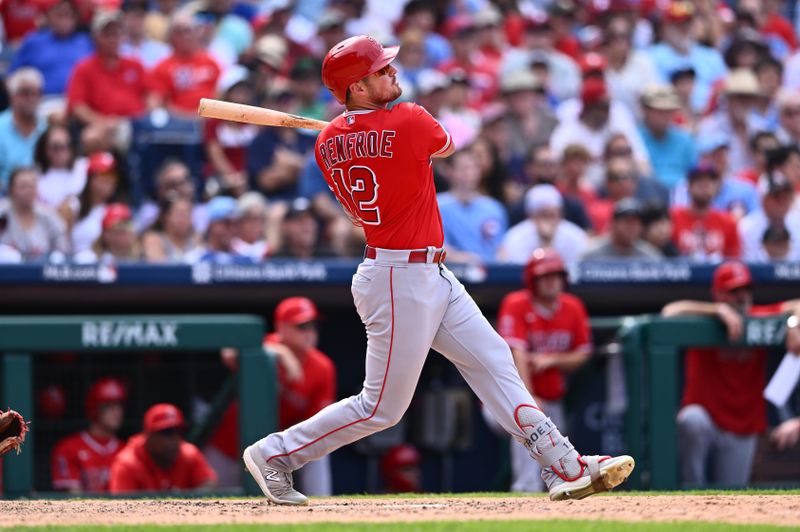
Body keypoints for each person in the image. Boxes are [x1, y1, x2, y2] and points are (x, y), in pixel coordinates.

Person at [242, 35, 634, 506]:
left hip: (427, 271)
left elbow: (359, 205)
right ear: (357, 89)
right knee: (381, 408)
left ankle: (563, 465)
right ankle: (275, 454)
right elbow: (447, 147)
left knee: (494, 360)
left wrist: (366, 133)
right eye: (381, 71)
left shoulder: (327, 143)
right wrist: (383, 132)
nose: (393, 73)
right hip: (396, 277)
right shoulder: (408, 118)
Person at [661, 261, 800, 488]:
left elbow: (798, 304)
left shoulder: (758, 316)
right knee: (692, 419)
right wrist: (717, 311)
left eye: (746, 290)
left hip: (742, 425)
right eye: (734, 292)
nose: (742, 297)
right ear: (718, 294)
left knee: (732, 491)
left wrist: (794, 324)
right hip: (707, 418)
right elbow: (670, 312)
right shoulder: (705, 319)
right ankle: (690, 492)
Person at [211, 297, 336, 494]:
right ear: (281, 328)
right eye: (301, 326)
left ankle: (323, 507)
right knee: (213, 502)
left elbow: (318, 423)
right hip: (229, 445)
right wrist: (277, 353)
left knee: (320, 446)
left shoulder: (323, 367)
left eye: (313, 325)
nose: (309, 333)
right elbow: (228, 352)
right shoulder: (266, 343)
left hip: (275, 449)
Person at [495, 249, 592, 492]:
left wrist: (552, 360)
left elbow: (583, 354)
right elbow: (516, 354)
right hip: (502, 399)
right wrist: (527, 399)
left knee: (551, 440)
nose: (551, 282)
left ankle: (559, 489)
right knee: (526, 421)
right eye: (545, 276)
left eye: (556, 276)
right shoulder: (516, 303)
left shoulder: (573, 306)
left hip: (551, 399)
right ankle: (525, 488)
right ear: (533, 280)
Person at [66, 10, 147, 147]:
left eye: (116, 34)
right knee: (90, 138)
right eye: (107, 34)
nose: (112, 39)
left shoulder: (135, 65)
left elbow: (152, 94)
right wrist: (103, 122)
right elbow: (77, 106)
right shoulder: (84, 68)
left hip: (134, 123)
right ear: (96, 38)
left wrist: (145, 116)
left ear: (123, 37)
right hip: (103, 124)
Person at [109, 403, 217, 493]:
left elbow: (209, 485)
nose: (174, 440)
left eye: (177, 432)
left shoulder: (188, 454)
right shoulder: (128, 463)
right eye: (167, 433)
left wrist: (184, 500)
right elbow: (121, 508)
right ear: (149, 436)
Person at [51, 378, 127, 493]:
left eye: (119, 406)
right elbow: (74, 498)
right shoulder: (69, 448)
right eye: (109, 406)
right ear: (94, 408)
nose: (117, 412)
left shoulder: (127, 450)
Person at [437, 148, 507, 264]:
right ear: (450, 171)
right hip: (450, 273)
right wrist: (463, 258)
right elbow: (434, 247)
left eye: (474, 167)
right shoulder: (437, 205)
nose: (469, 173)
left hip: (491, 275)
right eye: (464, 168)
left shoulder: (493, 208)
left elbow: (501, 247)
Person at [498, 184, 588, 273]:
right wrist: (545, 241)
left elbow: (577, 274)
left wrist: (548, 241)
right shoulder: (515, 237)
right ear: (530, 215)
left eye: (552, 215)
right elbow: (518, 274)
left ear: (560, 214)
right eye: (543, 214)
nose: (547, 220)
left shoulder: (575, 236)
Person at [671, 165, 741, 262]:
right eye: (699, 181)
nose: (705, 186)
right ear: (689, 186)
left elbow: (734, 261)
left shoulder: (728, 222)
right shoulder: (673, 217)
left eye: (709, 182)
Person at [0, 167, 68, 261]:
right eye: (23, 186)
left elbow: (62, 249)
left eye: (32, 186)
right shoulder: (2, 212)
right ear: (11, 189)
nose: (28, 191)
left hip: (40, 272)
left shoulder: (48, 215)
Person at [638, 84, 698, 190]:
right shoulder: (635, 138)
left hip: (681, 197)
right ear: (645, 110)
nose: (664, 116)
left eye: (668, 111)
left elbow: (694, 175)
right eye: (658, 111)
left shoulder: (685, 140)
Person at [0, 68, 47, 189]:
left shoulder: (46, 128)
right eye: (25, 93)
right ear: (12, 96)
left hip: (42, 195)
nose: (31, 98)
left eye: (35, 93)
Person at [583, 198, 662, 260]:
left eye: (637, 223)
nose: (632, 227)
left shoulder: (649, 256)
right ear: (614, 224)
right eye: (628, 221)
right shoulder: (592, 254)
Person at [141, 196, 202, 264]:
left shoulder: (196, 239)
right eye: (180, 214)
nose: (183, 219)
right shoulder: (153, 239)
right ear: (166, 217)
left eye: (187, 214)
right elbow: (158, 268)